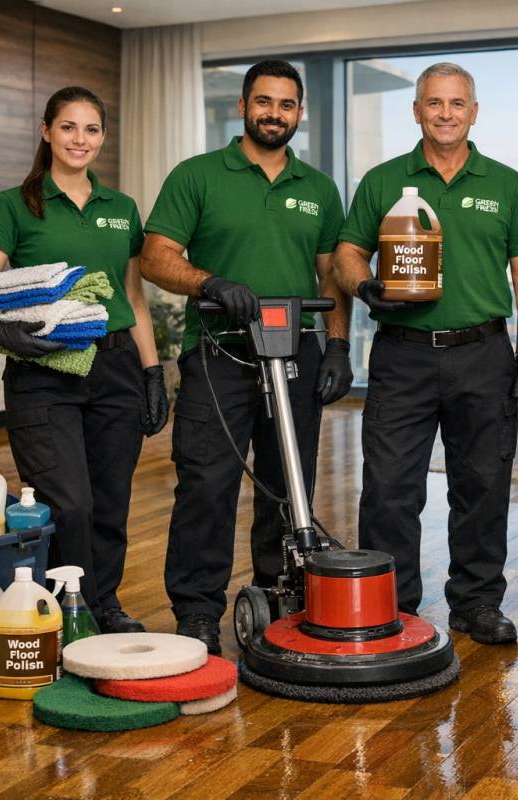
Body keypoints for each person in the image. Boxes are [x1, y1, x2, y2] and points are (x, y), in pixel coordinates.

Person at [334, 62, 518, 645]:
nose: (446, 113)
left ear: (474, 112)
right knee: (388, 487)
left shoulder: (505, 184)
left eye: (457, 103)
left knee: (481, 484)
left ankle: (477, 603)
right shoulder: (383, 181)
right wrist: (364, 286)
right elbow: (347, 253)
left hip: (483, 352)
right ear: (417, 111)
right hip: (401, 354)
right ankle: (390, 603)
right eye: (435, 103)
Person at [141, 60, 351, 655]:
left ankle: (278, 592)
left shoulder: (317, 187)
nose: (274, 114)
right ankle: (197, 611)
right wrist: (209, 283)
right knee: (207, 483)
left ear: (300, 113)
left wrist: (336, 342)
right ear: (242, 106)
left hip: (294, 353)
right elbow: (157, 257)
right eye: (264, 102)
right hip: (219, 353)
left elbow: (330, 271)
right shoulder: (199, 175)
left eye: (287, 105)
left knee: (290, 483)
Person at [0, 86, 165, 634]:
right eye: (69, 127)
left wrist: (152, 373)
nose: (81, 139)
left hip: (116, 366)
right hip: (43, 372)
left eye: (92, 129)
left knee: (109, 504)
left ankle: (104, 606)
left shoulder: (121, 209)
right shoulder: (15, 204)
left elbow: (133, 298)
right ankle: (67, 612)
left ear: (102, 137)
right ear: (47, 131)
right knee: (68, 504)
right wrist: (5, 332)